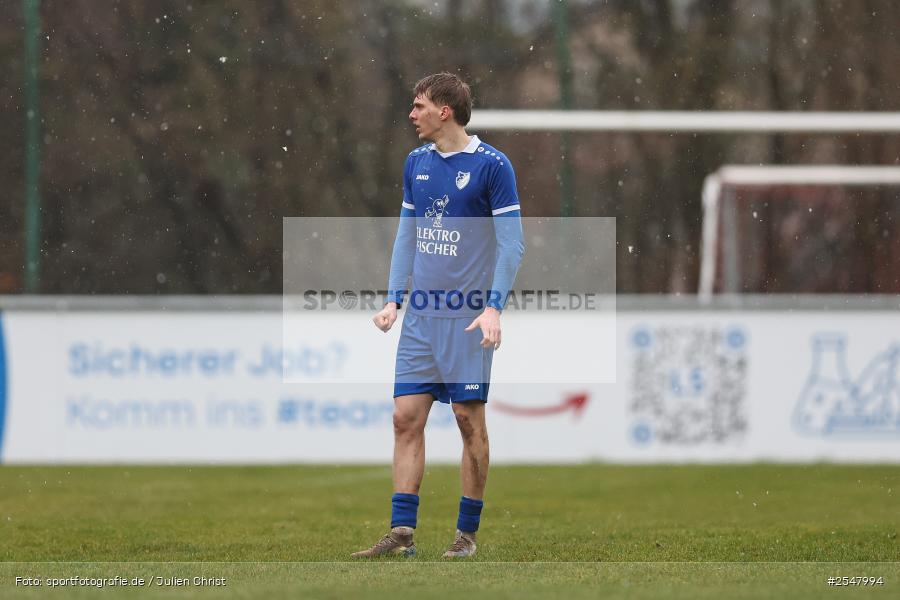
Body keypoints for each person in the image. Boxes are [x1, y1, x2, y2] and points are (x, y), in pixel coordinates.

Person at [352, 72, 525, 559]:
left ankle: (465, 535)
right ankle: (401, 534)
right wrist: (394, 300)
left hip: (467, 320)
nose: (412, 114)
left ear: (445, 111)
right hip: (422, 320)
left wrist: (494, 307)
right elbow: (408, 234)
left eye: (419, 105)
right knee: (405, 417)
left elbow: (513, 244)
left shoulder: (493, 167)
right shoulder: (416, 164)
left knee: (469, 424)